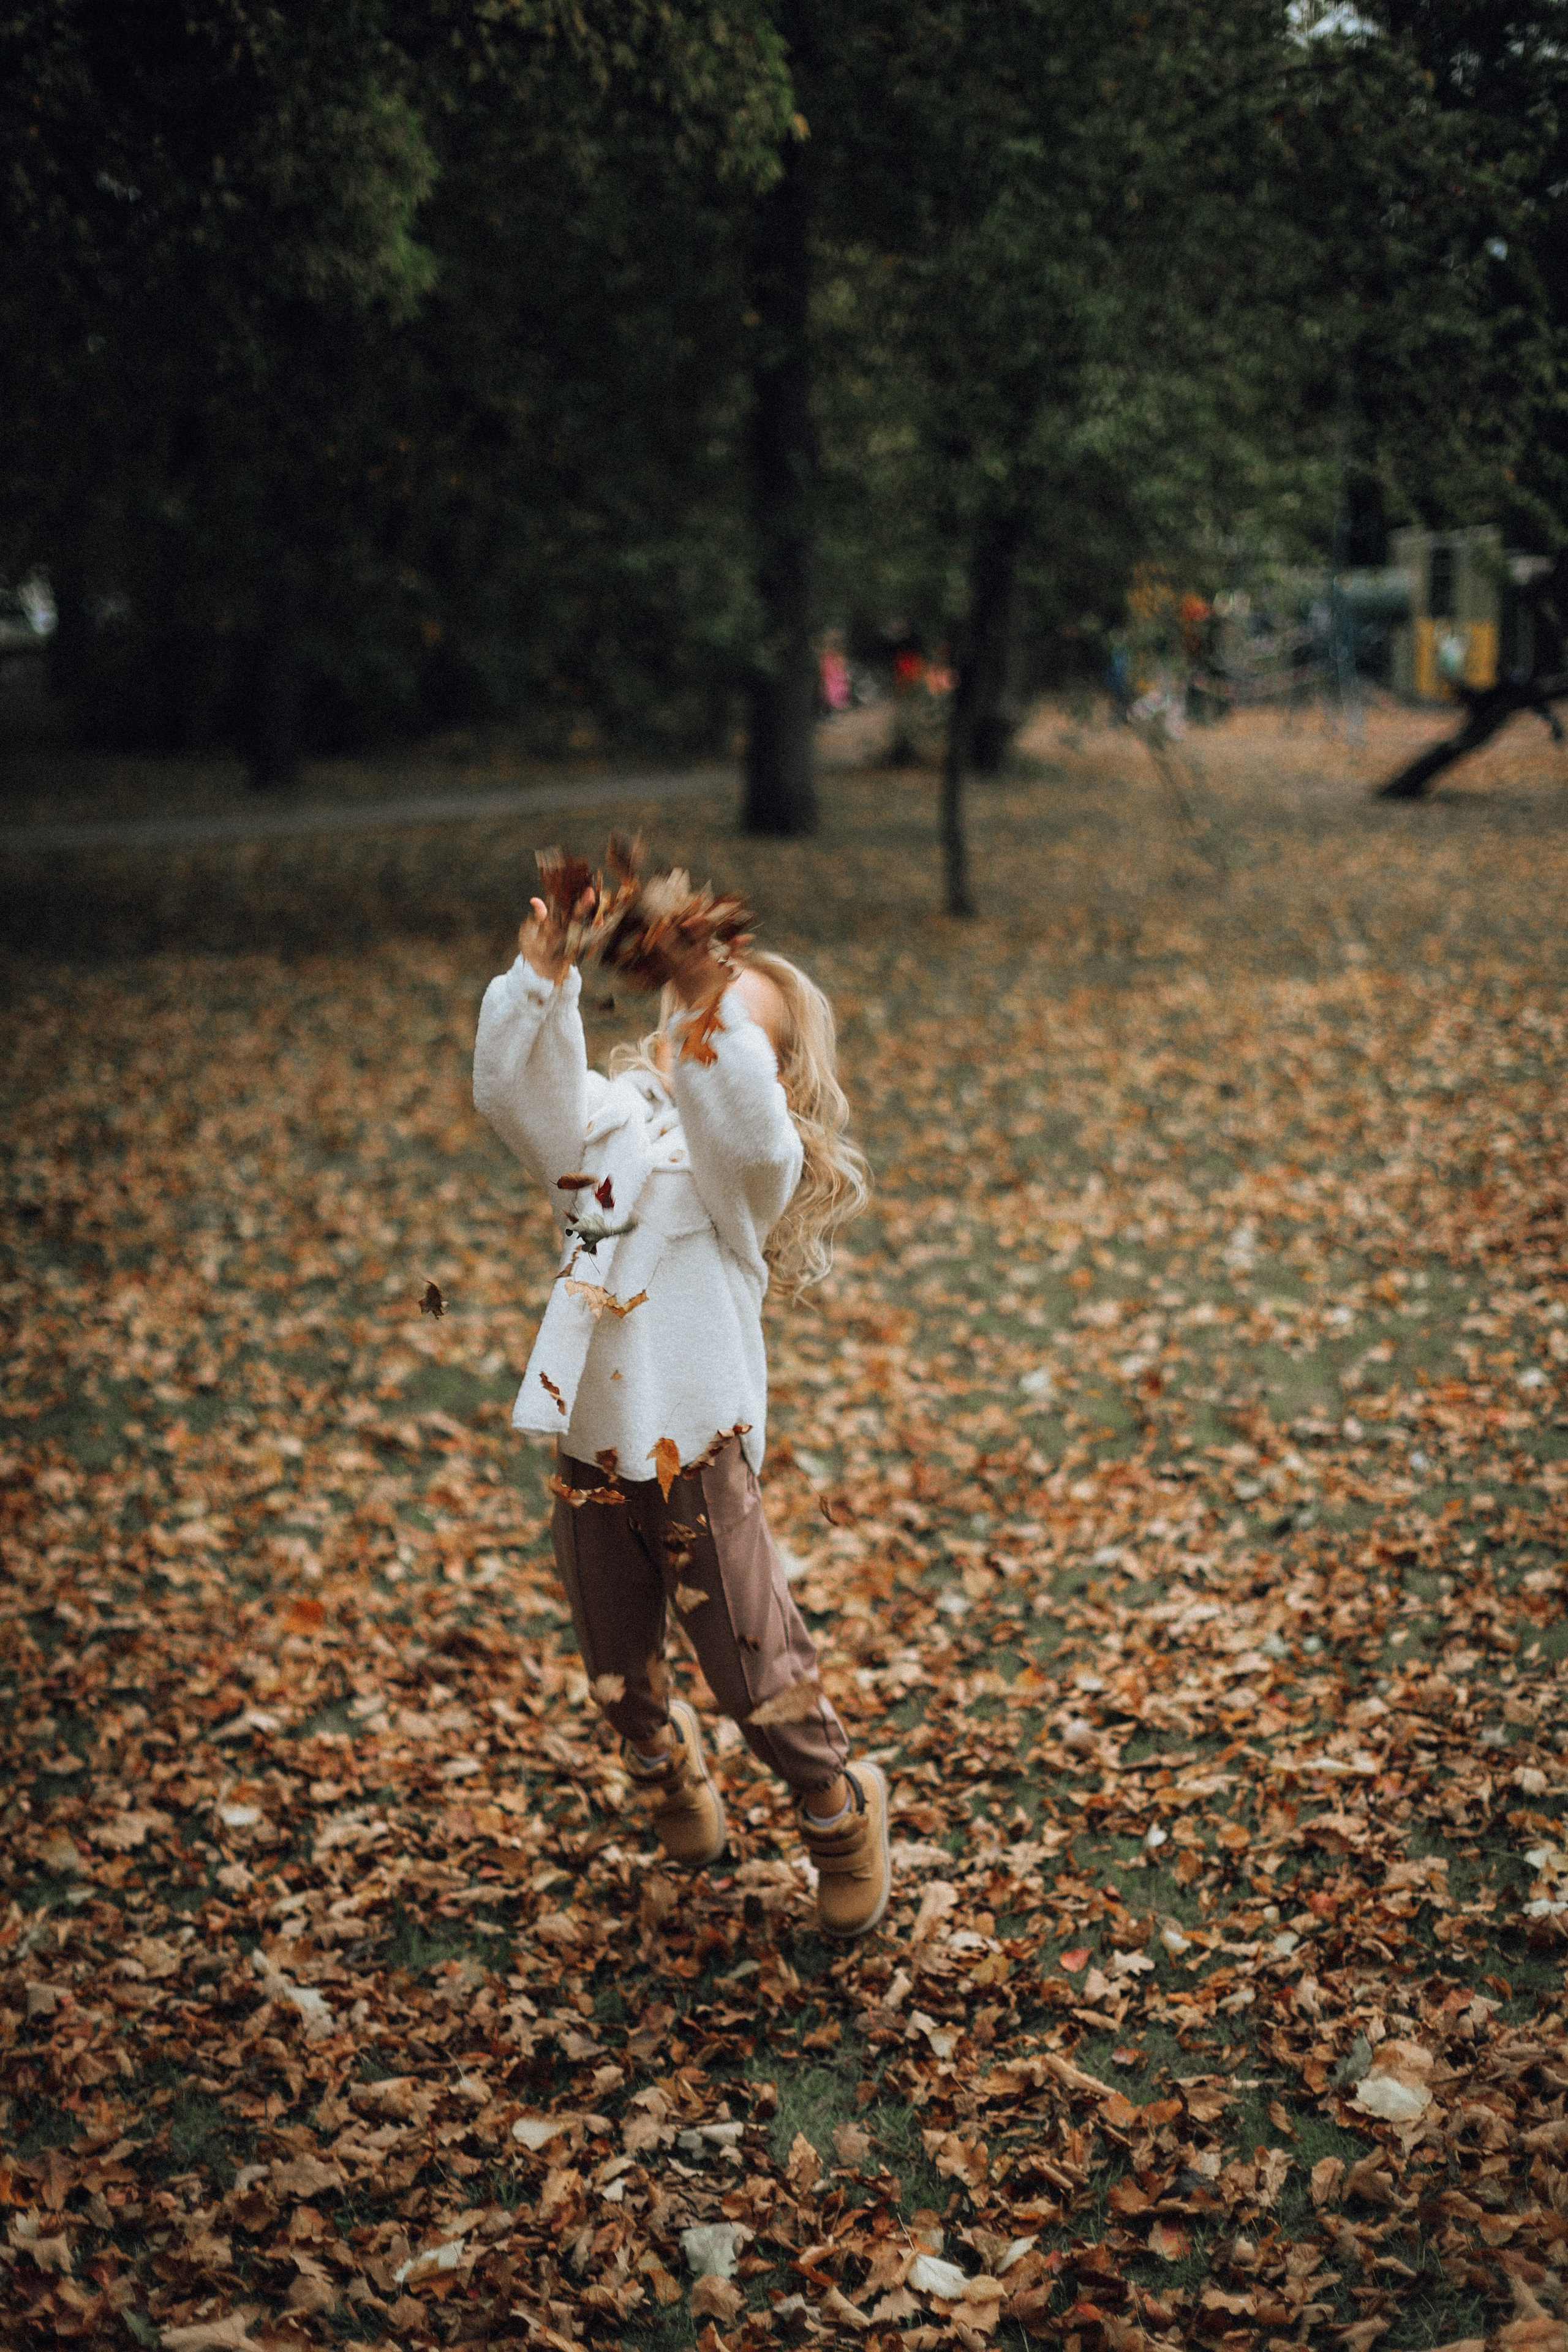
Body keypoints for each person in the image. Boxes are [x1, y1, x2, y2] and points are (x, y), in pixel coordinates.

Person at [472, 886, 891, 1938]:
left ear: (773, 1070)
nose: (705, 1034)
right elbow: (519, 1100)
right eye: (692, 1017)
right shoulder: (605, 1139)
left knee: (755, 1673)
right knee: (616, 1671)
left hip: (699, 1454)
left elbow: (742, 1132)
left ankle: (839, 1815)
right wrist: (545, 977)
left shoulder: (746, 1178)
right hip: (590, 1448)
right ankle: (669, 1780)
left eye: (738, 1027)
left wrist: (708, 990)